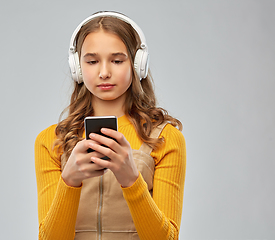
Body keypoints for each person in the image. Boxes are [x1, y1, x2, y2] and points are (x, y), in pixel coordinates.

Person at [35, 11, 186, 240]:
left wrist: (131, 180)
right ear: (77, 67)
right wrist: (70, 181)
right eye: (92, 61)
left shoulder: (166, 138)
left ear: (137, 64)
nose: (104, 72)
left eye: (117, 60)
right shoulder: (50, 141)